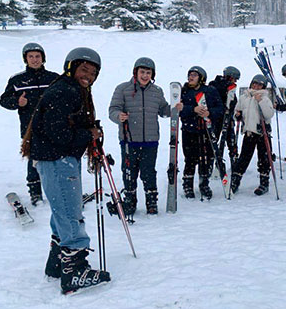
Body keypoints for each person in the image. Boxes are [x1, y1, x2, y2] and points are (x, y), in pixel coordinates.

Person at [21, 47, 110, 294]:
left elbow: (62, 127)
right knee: (70, 212)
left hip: (56, 159)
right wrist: (88, 134)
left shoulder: (71, 90)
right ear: (71, 67)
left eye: (93, 73)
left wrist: (87, 130)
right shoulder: (65, 92)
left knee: (62, 210)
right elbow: (57, 132)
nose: (88, 76)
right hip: (57, 159)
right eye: (84, 69)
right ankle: (75, 270)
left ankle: (57, 262)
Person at [109, 57, 173, 215]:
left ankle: (151, 202)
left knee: (149, 172)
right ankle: (130, 202)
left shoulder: (156, 91)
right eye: (142, 72)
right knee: (129, 172)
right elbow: (113, 110)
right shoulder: (123, 89)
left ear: (153, 74)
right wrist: (119, 116)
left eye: (148, 73)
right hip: (129, 140)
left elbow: (163, 110)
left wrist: (175, 109)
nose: (145, 75)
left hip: (150, 141)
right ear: (135, 72)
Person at [0, 43, 59, 206]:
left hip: (54, 127)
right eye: (31, 56)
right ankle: (35, 193)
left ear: (43, 58)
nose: (34, 60)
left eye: (37, 56)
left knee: (55, 158)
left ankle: (56, 189)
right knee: (34, 160)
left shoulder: (54, 78)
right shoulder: (17, 79)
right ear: (25, 59)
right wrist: (17, 102)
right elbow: (3, 100)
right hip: (30, 128)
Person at [179, 66, 224, 200]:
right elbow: (178, 110)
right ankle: (187, 184)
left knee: (207, 159)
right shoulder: (184, 91)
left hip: (206, 131)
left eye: (194, 75)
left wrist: (209, 112)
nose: (191, 77)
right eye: (190, 75)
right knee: (190, 159)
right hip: (189, 130)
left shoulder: (210, 91)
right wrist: (193, 109)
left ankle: (204, 184)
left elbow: (220, 108)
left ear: (201, 78)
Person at [230, 75, 275, 196]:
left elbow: (269, 114)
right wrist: (237, 115)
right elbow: (237, 110)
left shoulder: (265, 98)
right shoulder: (244, 97)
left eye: (259, 85)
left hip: (262, 133)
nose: (256, 86)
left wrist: (260, 101)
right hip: (249, 132)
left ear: (263, 87)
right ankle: (235, 181)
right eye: (255, 83)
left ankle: (264, 183)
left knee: (264, 159)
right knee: (244, 158)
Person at [209, 66, 241, 166]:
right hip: (217, 119)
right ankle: (213, 162)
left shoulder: (230, 88)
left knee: (231, 141)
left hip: (228, 118)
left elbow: (233, 103)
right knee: (214, 141)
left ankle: (234, 160)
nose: (235, 81)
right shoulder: (215, 86)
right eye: (234, 78)